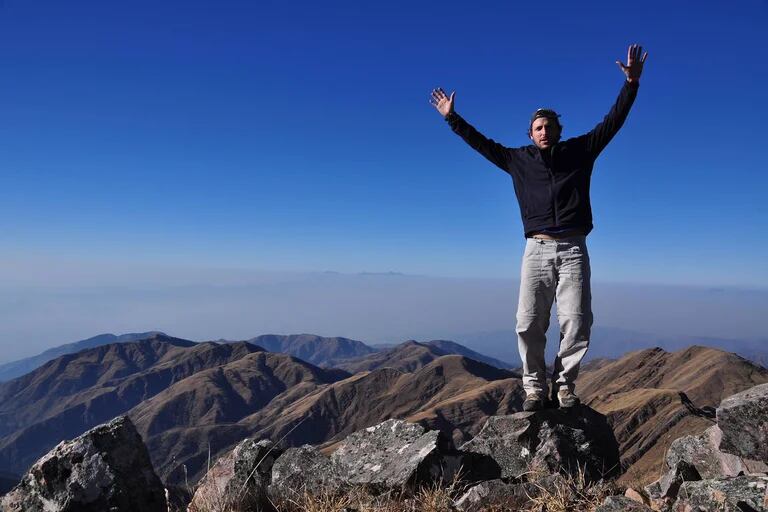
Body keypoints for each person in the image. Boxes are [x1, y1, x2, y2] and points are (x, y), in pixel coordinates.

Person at [430, 44, 648, 411]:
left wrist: (631, 85)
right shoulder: (517, 160)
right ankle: (534, 389)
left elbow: (613, 122)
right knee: (528, 324)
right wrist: (453, 118)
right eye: (538, 128)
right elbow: (481, 144)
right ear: (530, 134)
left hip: (574, 249)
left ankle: (564, 388)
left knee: (577, 323)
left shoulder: (580, 151)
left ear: (559, 131)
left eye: (550, 127)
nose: (544, 132)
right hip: (536, 249)